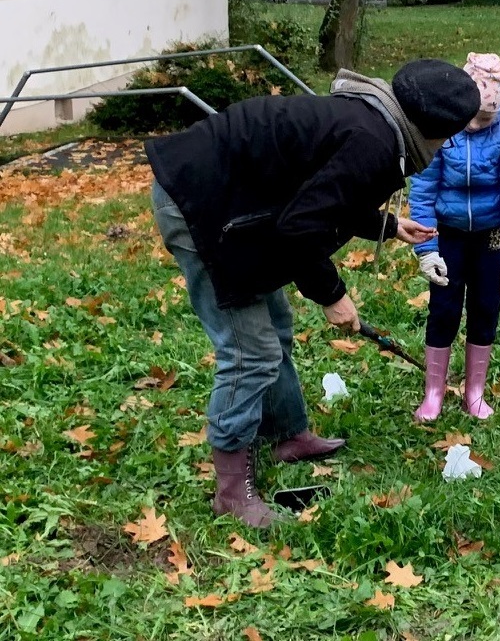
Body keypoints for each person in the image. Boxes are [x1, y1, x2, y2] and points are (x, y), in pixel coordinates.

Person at [146, 59, 481, 527]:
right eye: (448, 136)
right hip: (202, 205)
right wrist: (331, 293)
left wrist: (384, 224)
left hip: (236, 199)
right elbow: (301, 226)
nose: (446, 145)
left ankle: (287, 435)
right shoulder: (374, 143)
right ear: (430, 128)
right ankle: (230, 492)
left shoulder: (373, 116)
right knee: (251, 352)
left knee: (277, 328)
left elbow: (320, 187)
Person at [410, 53, 500, 421]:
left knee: (485, 306)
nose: (478, 125)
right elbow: (423, 187)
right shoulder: (441, 124)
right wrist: (426, 248)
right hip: (446, 232)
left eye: (486, 118)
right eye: (473, 116)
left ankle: (474, 391)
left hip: (490, 234)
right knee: (444, 307)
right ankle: (434, 392)